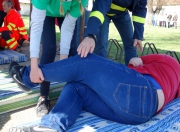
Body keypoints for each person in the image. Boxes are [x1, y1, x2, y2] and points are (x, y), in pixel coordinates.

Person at [8, 53, 180, 132]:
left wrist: (138, 60)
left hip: (142, 92)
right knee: (76, 87)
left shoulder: (170, 60)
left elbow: (135, 62)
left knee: (86, 63)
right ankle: (50, 127)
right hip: (137, 115)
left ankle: (27, 77)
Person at [29, 0, 94, 117]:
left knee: (72, 50)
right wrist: (33, 66)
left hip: (64, 14)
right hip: (46, 14)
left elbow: (67, 28)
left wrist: (63, 64)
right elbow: (36, 28)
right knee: (49, 48)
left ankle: (68, 93)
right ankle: (43, 96)